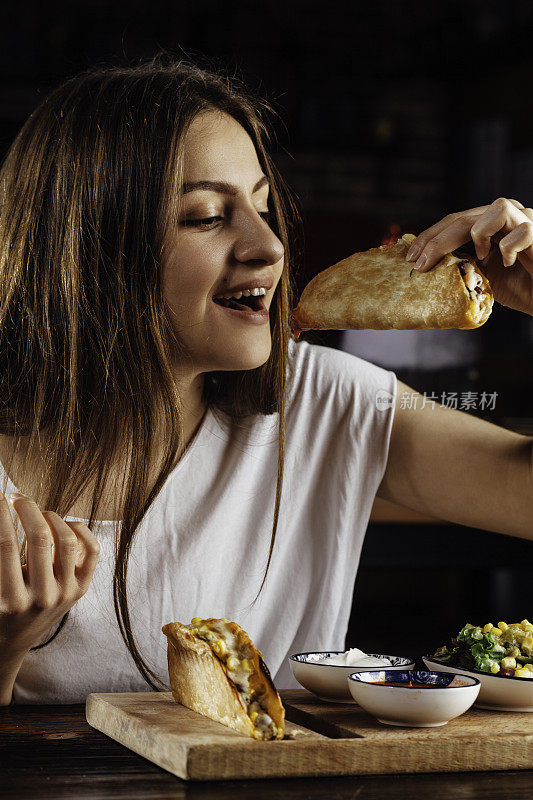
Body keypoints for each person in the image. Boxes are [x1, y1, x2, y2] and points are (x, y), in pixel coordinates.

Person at [0, 56, 532, 706]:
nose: (270, 245)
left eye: (260, 205)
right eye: (206, 216)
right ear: (88, 249)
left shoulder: (323, 403)